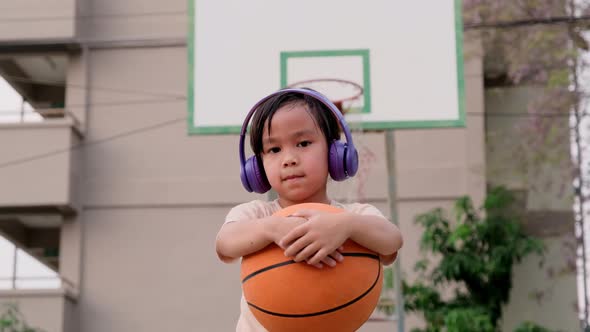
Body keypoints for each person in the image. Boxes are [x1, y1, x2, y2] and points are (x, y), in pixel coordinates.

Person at [215, 88, 403, 332]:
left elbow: (392, 242)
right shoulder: (257, 214)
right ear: (257, 167)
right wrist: (271, 228)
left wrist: (346, 226)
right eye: (274, 150)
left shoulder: (354, 216)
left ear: (335, 153)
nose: (289, 159)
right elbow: (224, 246)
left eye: (303, 143)